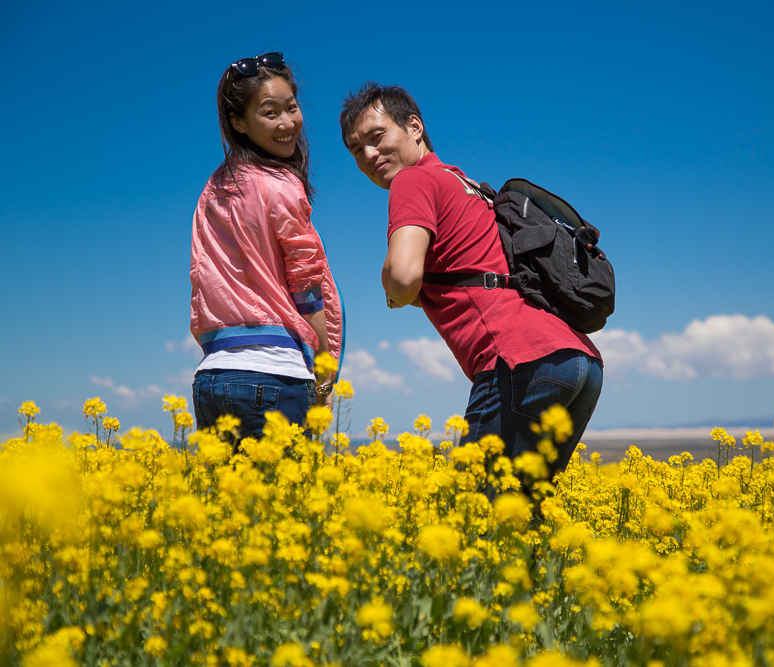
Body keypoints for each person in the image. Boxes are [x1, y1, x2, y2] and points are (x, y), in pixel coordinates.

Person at [339, 82, 601, 478]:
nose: (369, 155)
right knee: (521, 516)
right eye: (356, 150)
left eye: (377, 137)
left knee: (477, 518)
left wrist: (392, 291)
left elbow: (405, 276)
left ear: (414, 127)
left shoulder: (412, 181)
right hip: (578, 361)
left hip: (518, 358)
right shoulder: (470, 186)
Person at [190, 52, 344, 442]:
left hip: (213, 378)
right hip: (274, 377)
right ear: (238, 123)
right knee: (284, 500)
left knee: (228, 504)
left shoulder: (213, 189)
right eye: (269, 113)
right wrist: (324, 371)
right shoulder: (281, 185)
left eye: (291, 108)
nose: (287, 123)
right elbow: (306, 286)